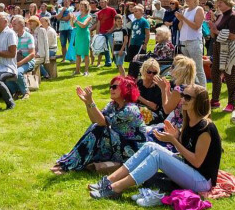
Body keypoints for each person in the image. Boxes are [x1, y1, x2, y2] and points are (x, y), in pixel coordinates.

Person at [89, 85, 222, 203]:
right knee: (149, 146)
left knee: (157, 156)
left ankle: (115, 188)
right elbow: (188, 148)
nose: (182, 100)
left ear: (198, 102)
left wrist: (174, 141)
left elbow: (197, 161)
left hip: (202, 181)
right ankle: (110, 180)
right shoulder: (189, 119)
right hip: (189, 170)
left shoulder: (205, 128)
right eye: (182, 95)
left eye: (187, 97)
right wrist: (177, 137)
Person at [51, 76, 146, 174]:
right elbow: (94, 120)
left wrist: (91, 101)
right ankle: (71, 161)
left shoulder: (129, 110)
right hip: (119, 142)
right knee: (96, 127)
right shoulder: (113, 105)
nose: (111, 89)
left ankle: (71, 164)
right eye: (110, 86)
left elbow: (101, 122)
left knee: (100, 129)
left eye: (114, 87)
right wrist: (87, 103)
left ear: (126, 89)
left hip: (133, 150)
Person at [208, 0, 235, 112]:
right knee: (215, 73)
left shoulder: (233, 16)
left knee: (230, 75)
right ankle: (215, 100)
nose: (218, 5)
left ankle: (231, 103)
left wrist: (216, 31)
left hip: (230, 49)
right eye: (218, 3)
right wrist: (212, 28)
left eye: (220, 3)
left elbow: (233, 36)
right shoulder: (221, 16)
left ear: (228, 3)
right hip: (218, 47)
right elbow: (214, 35)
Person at [175, 0, 206, 87]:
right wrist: (180, 20)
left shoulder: (199, 9)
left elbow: (196, 26)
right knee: (188, 69)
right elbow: (180, 28)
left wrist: (183, 19)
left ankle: (203, 91)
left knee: (198, 68)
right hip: (184, 41)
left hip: (194, 41)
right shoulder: (185, 10)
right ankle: (192, 89)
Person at [5, 15, 36, 100]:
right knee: (4, 73)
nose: (12, 26)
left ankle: (26, 92)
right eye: (12, 24)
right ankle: (16, 91)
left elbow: (32, 54)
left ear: (21, 25)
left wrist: (20, 63)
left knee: (18, 73)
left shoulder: (29, 36)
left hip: (28, 61)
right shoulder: (12, 36)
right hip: (15, 61)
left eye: (14, 24)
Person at [136, 59, 166, 125]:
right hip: (139, 110)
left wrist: (139, 97)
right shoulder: (139, 83)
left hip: (154, 113)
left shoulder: (157, 86)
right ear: (144, 70)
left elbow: (154, 107)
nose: (151, 74)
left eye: (154, 73)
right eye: (149, 72)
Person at [71, 0, 92, 76]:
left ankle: (86, 71)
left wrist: (76, 20)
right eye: (81, 6)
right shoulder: (78, 16)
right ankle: (77, 71)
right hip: (78, 36)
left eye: (83, 7)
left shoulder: (89, 16)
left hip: (85, 36)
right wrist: (72, 19)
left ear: (86, 8)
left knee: (86, 54)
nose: (81, 8)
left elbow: (83, 25)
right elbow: (73, 26)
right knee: (78, 54)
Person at [96, 0, 117, 68]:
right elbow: (98, 23)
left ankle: (117, 62)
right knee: (105, 48)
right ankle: (108, 62)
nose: (101, 3)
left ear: (106, 2)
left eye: (102, 2)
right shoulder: (99, 12)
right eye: (100, 2)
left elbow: (116, 20)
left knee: (113, 47)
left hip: (111, 32)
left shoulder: (112, 10)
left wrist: (112, 29)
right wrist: (97, 33)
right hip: (102, 32)